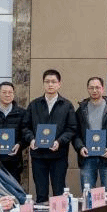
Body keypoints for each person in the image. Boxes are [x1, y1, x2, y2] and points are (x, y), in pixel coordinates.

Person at [22, 69, 77, 203]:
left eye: (53, 82)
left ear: (59, 84)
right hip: (38, 155)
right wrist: (31, 139)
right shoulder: (34, 105)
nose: (50, 84)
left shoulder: (67, 105)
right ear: (43, 84)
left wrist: (59, 141)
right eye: (47, 82)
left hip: (58, 155)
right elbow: (25, 127)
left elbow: (71, 129)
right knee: (41, 193)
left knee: (59, 192)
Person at [73, 76, 107, 191]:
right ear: (87, 89)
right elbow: (75, 133)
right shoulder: (81, 110)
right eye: (91, 88)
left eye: (97, 87)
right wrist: (80, 147)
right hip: (87, 157)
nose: (94, 90)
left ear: (102, 88)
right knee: (88, 194)